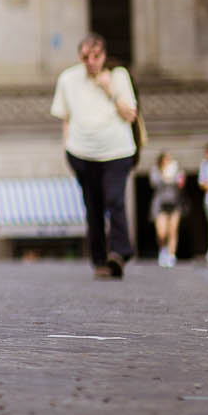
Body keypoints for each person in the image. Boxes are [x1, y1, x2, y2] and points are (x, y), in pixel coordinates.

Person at [50, 33, 139, 279]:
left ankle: (120, 252)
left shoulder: (119, 76)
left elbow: (130, 115)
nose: (91, 61)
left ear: (104, 55)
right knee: (93, 207)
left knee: (115, 200)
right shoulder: (68, 79)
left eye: (96, 56)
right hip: (82, 153)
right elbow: (65, 117)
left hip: (117, 151)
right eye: (85, 57)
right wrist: (67, 149)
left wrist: (109, 88)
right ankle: (100, 260)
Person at [150, 151, 185, 268]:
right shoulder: (155, 171)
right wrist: (165, 175)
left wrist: (174, 176)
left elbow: (180, 183)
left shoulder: (176, 170)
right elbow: (155, 183)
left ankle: (171, 254)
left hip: (174, 204)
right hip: (160, 205)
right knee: (161, 232)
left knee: (173, 230)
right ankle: (163, 249)